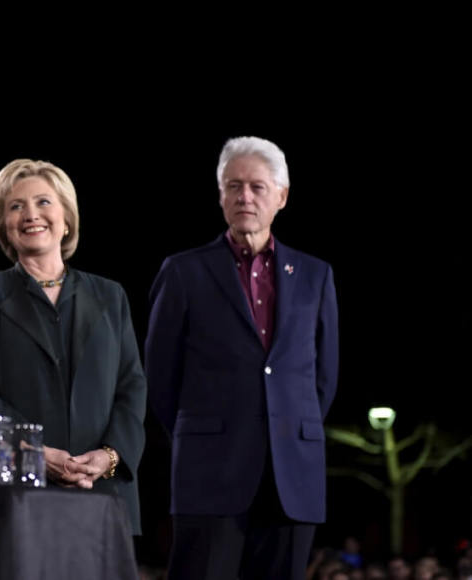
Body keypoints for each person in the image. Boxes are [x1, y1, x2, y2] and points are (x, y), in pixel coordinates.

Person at [145, 136, 339, 579]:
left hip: (292, 475)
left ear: (282, 196)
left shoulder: (315, 275)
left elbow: (324, 377)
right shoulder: (183, 271)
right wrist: (203, 436)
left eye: (256, 187)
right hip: (209, 472)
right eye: (233, 186)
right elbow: (160, 378)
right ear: (220, 195)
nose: (244, 197)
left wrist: (285, 428)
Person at [0, 158, 147, 534]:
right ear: (3, 226)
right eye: (16, 206)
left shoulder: (110, 295)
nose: (31, 214)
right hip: (19, 492)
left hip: (103, 491)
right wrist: (36, 456)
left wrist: (110, 456)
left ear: (66, 218)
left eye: (43, 202)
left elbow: (131, 387)